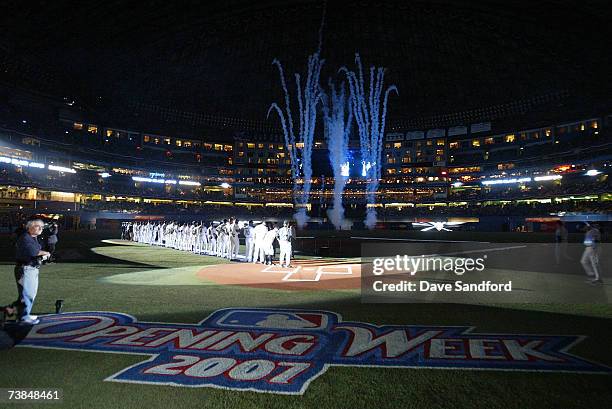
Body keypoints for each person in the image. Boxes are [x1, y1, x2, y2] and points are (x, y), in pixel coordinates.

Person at [13, 219, 50, 325]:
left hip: (30, 268)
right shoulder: (25, 238)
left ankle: (24, 314)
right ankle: (24, 317)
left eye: (42, 227)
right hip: (26, 268)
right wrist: (45, 253)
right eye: (38, 226)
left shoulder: (32, 238)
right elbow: (34, 252)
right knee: (27, 294)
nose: (41, 228)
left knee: (29, 293)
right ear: (30, 227)